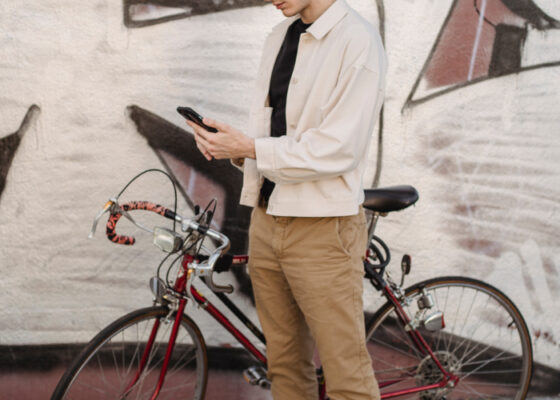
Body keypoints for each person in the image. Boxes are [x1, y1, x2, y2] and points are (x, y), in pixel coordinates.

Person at [186, 0, 386, 398]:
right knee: (285, 367)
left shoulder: (357, 40)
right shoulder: (280, 35)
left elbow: (339, 149)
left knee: (346, 374)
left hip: (322, 229)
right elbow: (277, 135)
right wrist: (235, 148)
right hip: (267, 218)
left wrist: (250, 147)